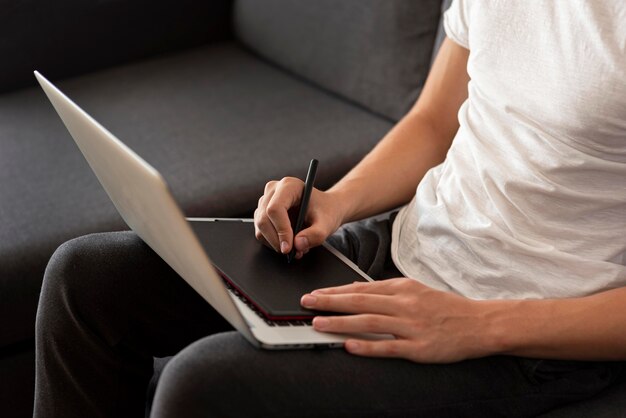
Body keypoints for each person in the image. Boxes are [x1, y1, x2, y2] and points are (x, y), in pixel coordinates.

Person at [34, 1, 626, 417]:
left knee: (201, 388)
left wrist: (476, 326)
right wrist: (334, 201)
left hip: (522, 334)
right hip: (399, 249)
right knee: (86, 281)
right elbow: (433, 122)